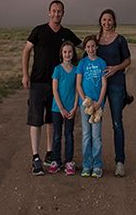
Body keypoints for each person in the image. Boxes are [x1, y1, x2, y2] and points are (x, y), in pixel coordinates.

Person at [22, 0, 81, 176]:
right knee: (35, 120)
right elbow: (26, 51)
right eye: (54, 11)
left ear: (63, 13)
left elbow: (83, 46)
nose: (56, 14)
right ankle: (35, 157)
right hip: (39, 82)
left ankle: (50, 154)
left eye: (59, 11)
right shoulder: (38, 30)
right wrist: (25, 75)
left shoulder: (66, 33)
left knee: (51, 120)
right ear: (49, 12)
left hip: (58, 85)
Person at [96, 8, 132, 177]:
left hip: (116, 85)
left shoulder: (120, 40)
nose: (106, 23)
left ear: (114, 21)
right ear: (100, 21)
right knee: (95, 123)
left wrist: (116, 68)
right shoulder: (95, 40)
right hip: (98, 86)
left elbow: (128, 61)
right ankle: (95, 162)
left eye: (109, 20)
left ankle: (120, 162)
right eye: (104, 20)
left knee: (117, 123)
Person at [76, 34, 108, 178]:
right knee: (86, 135)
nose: (91, 49)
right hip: (85, 104)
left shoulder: (102, 63)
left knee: (96, 136)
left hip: (98, 105)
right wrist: (85, 101)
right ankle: (86, 165)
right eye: (88, 47)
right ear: (85, 48)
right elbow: (78, 84)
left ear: (97, 47)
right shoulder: (82, 63)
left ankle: (97, 165)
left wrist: (98, 102)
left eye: (93, 46)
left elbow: (104, 84)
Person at [49, 41, 80, 175]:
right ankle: (56, 160)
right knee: (57, 135)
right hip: (57, 109)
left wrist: (74, 108)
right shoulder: (57, 69)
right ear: (61, 54)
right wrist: (61, 108)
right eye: (65, 52)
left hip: (70, 109)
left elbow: (78, 90)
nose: (67, 54)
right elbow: (55, 90)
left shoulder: (76, 70)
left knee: (69, 134)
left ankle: (68, 161)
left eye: (70, 52)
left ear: (73, 54)